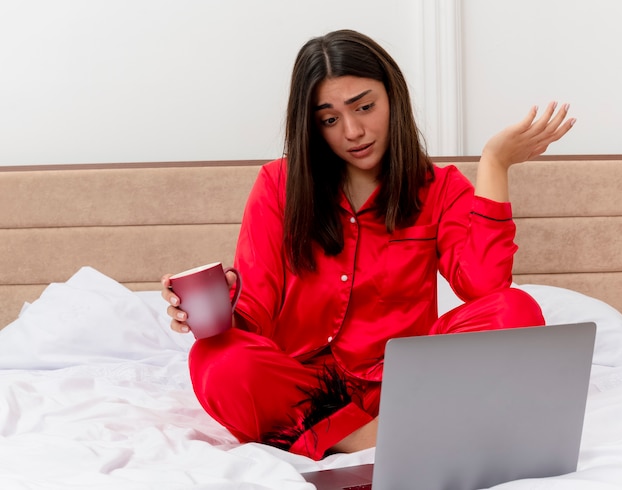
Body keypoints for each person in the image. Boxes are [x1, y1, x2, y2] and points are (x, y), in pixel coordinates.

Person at [161, 29, 575, 461]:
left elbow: (486, 289)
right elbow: (256, 313)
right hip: (306, 391)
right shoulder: (277, 185)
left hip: (406, 381)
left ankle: (335, 436)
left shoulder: (438, 187)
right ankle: (371, 437)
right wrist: (215, 309)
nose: (354, 131)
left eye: (364, 107)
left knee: (516, 310)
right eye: (330, 119)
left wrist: (495, 164)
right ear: (312, 125)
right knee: (215, 359)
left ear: (392, 96)